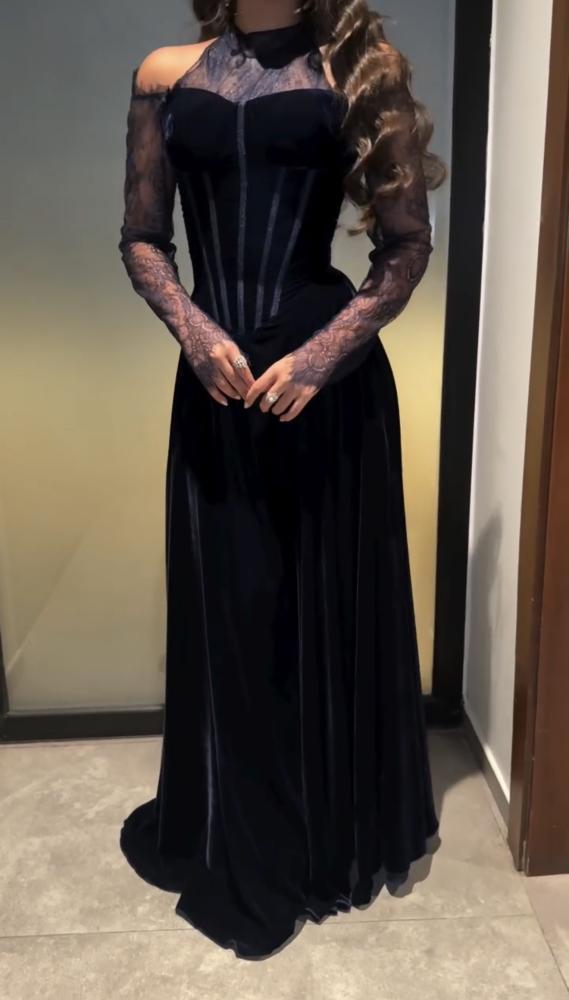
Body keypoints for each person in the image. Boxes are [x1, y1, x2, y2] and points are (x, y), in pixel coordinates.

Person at [118, 0, 446, 961]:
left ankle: (318, 834)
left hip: (320, 386)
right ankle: (228, 822)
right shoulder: (165, 73)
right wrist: (195, 333)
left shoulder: (358, 68)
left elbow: (405, 247)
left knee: (313, 606)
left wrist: (319, 359)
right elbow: (142, 236)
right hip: (216, 381)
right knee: (230, 604)